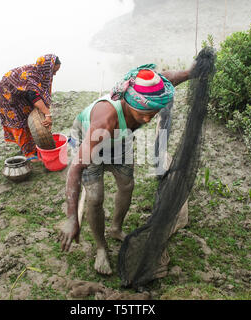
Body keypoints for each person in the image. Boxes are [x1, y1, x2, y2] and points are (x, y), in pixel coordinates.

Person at [60, 62, 198, 275]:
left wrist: (189, 73)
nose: (146, 119)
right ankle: (101, 248)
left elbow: (168, 78)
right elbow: (74, 170)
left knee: (127, 186)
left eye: (152, 113)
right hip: (90, 143)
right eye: (142, 113)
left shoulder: (147, 96)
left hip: (120, 142)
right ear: (127, 102)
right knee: (95, 198)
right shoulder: (104, 120)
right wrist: (71, 218)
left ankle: (116, 228)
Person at [0, 54, 61, 161]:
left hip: (21, 93)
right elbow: (34, 97)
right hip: (8, 95)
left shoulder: (41, 74)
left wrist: (45, 111)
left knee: (29, 116)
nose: (54, 74)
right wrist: (47, 114)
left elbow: (37, 94)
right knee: (19, 122)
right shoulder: (32, 76)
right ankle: (29, 153)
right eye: (53, 71)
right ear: (47, 68)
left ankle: (33, 145)